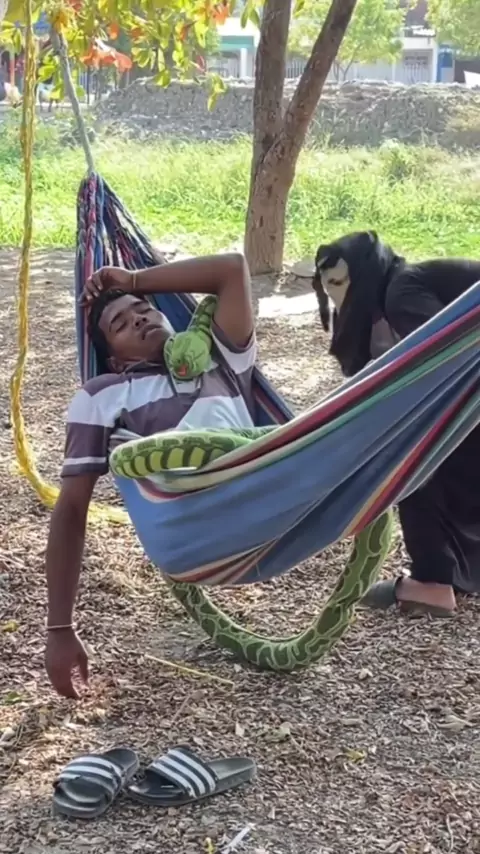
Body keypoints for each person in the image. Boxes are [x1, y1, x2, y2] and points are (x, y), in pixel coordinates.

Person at [45, 253, 256, 698]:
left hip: (265, 503)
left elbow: (231, 270)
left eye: (143, 310)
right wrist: (60, 628)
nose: (139, 319)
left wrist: (134, 279)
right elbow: (71, 508)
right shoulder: (103, 395)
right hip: (192, 533)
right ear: (115, 359)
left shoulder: (221, 358)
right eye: (120, 325)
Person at [312, 230, 480, 618]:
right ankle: (448, 574)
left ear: (365, 273)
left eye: (340, 282)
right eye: (327, 287)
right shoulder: (389, 300)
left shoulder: (402, 292)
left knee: (407, 457)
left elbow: (452, 360)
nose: (335, 296)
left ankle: (432, 582)